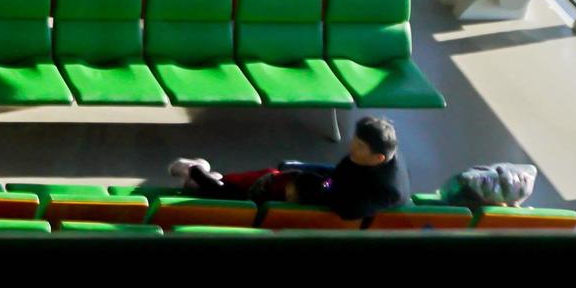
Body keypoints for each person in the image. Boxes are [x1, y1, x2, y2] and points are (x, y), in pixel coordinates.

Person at [169, 114, 406, 223]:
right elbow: (338, 175)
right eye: (355, 139)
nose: (352, 146)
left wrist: (311, 184)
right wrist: (306, 171)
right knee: (265, 177)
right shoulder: (371, 157)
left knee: (241, 198)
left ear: (378, 158)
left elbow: (347, 207)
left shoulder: (387, 190)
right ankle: (204, 178)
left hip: (314, 204)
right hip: (315, 186)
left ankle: (196, 172)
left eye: (360, 145)